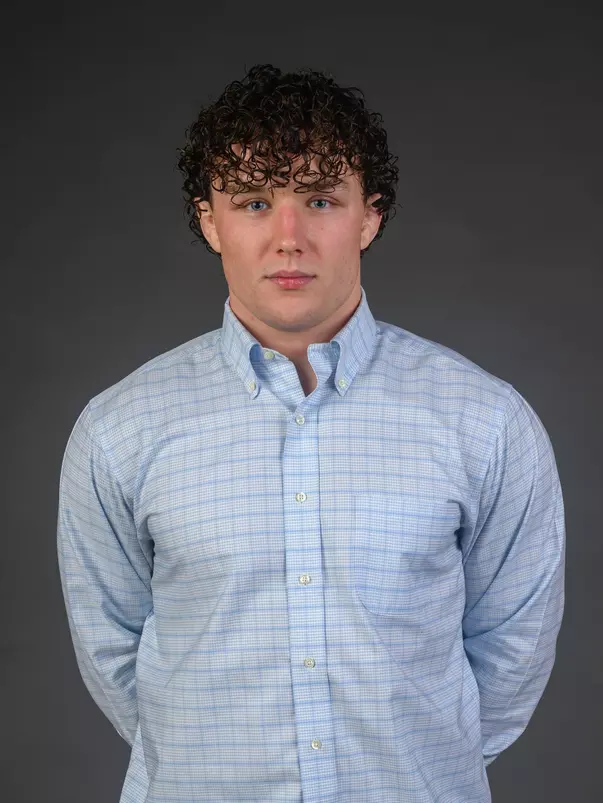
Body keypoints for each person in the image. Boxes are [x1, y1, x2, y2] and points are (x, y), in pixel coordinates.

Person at [56, 63, 566, 803]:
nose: (288, 237)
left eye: (320, 199)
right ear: (209, 220)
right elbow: (113, 651)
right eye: (254, 202)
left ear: (369, 215)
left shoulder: (484, 420)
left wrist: (415, 757)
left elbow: (511, 650)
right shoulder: (119, 429)